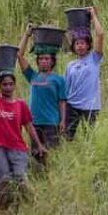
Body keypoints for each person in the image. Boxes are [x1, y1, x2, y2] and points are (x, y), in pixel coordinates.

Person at [0, 46, 45, 211]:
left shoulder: (20, 105)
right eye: (4, 84)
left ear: (14, 85)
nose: (8, 87)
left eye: (10, 84)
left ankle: (30, 210)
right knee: (2, 181)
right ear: (0, 86)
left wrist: (39, 145)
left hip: (17, 148)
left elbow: (29, 126)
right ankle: (1, 212)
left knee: (21, 180)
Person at [17, 25, 68, 161]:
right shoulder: (32, 76)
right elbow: (19, 55)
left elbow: (62, 101)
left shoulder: (58, 79)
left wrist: (63, 120)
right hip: (34, 123)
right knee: (36, 155)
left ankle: (52, 178)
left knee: (52, 154)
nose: (44, 62)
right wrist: (27, 35)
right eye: (41, 59)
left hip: (51, 123)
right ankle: (40, 177)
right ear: (37, 61)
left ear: (52, 61)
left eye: (47, 59)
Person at [63, 7, 104, 139]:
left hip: (90, 106)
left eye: (82, 43)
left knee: (89, 139)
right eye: (77, 44)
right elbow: (65, 90)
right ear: (73, 47)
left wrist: (93, 17)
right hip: (72, 105)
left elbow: (100, 34)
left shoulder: (94, 59)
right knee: (67, 137)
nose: (80, 46)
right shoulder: (70, 66)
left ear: (88, 45)